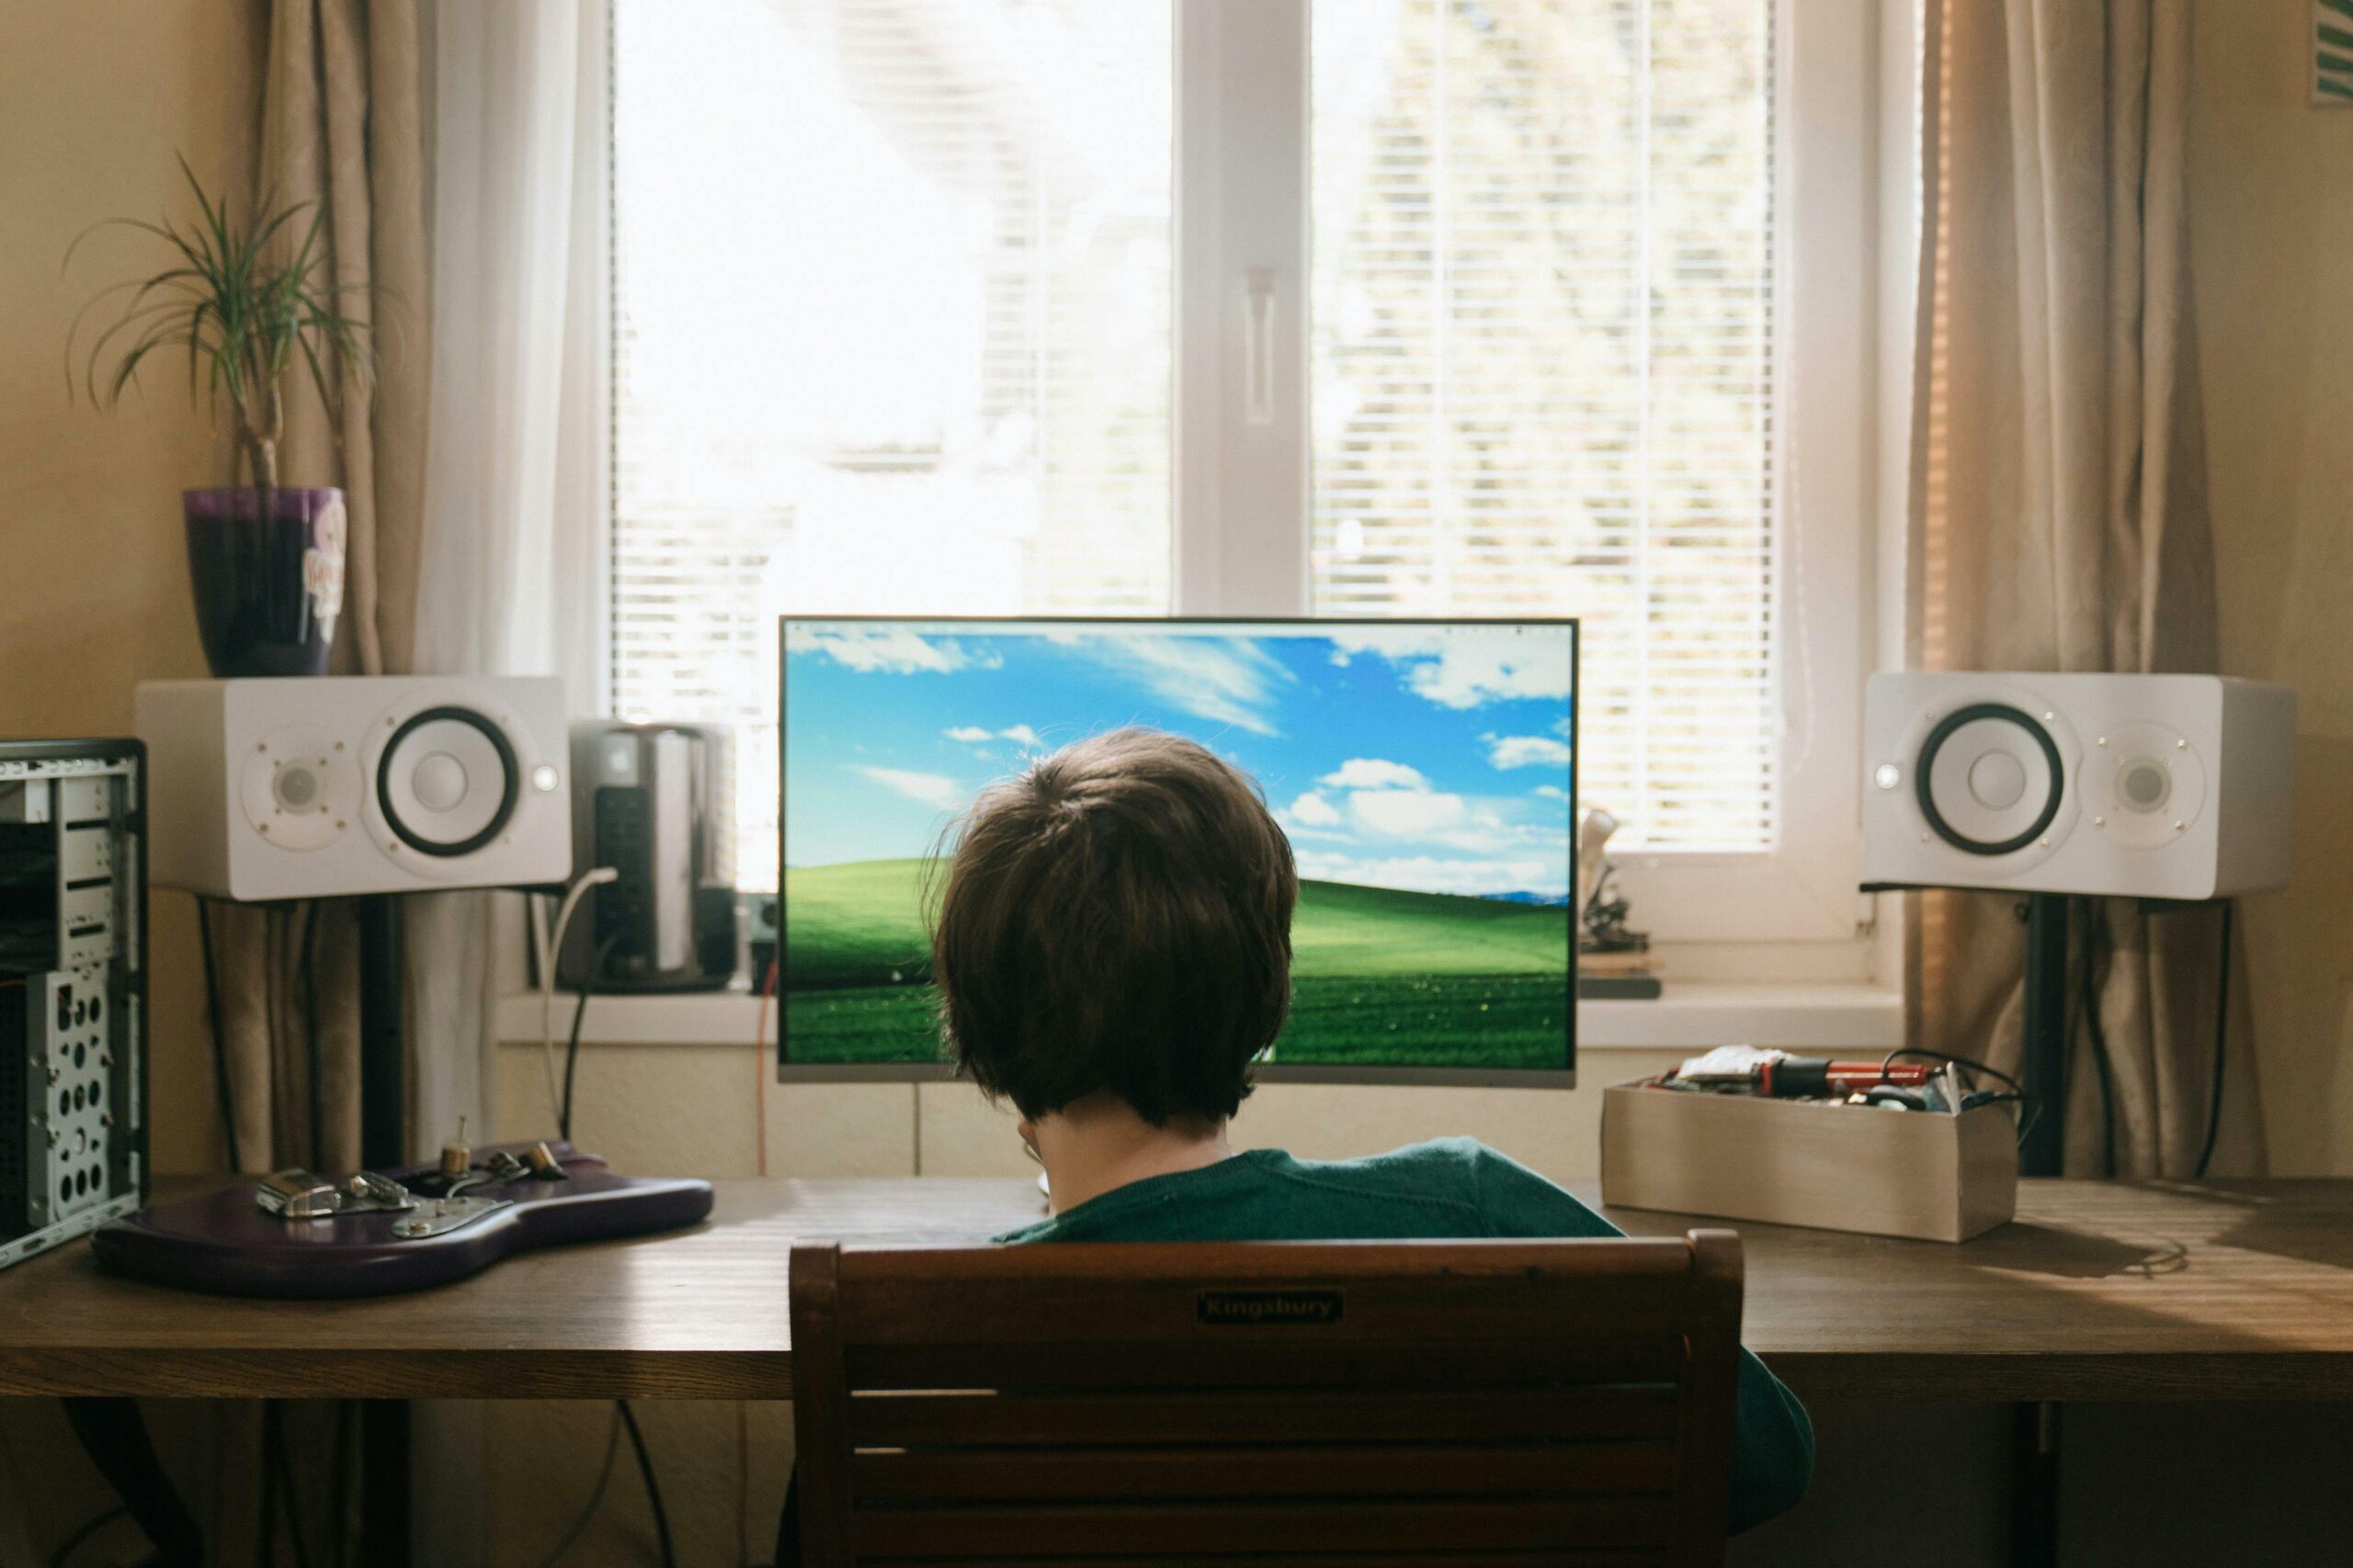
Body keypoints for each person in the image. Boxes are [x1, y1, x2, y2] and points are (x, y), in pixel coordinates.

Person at [779, 727, 1811, 1561]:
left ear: (978, 1018)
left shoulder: (908, 1325)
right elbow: (1766, 1455)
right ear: (1263, 990)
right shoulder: (1468, 1205)